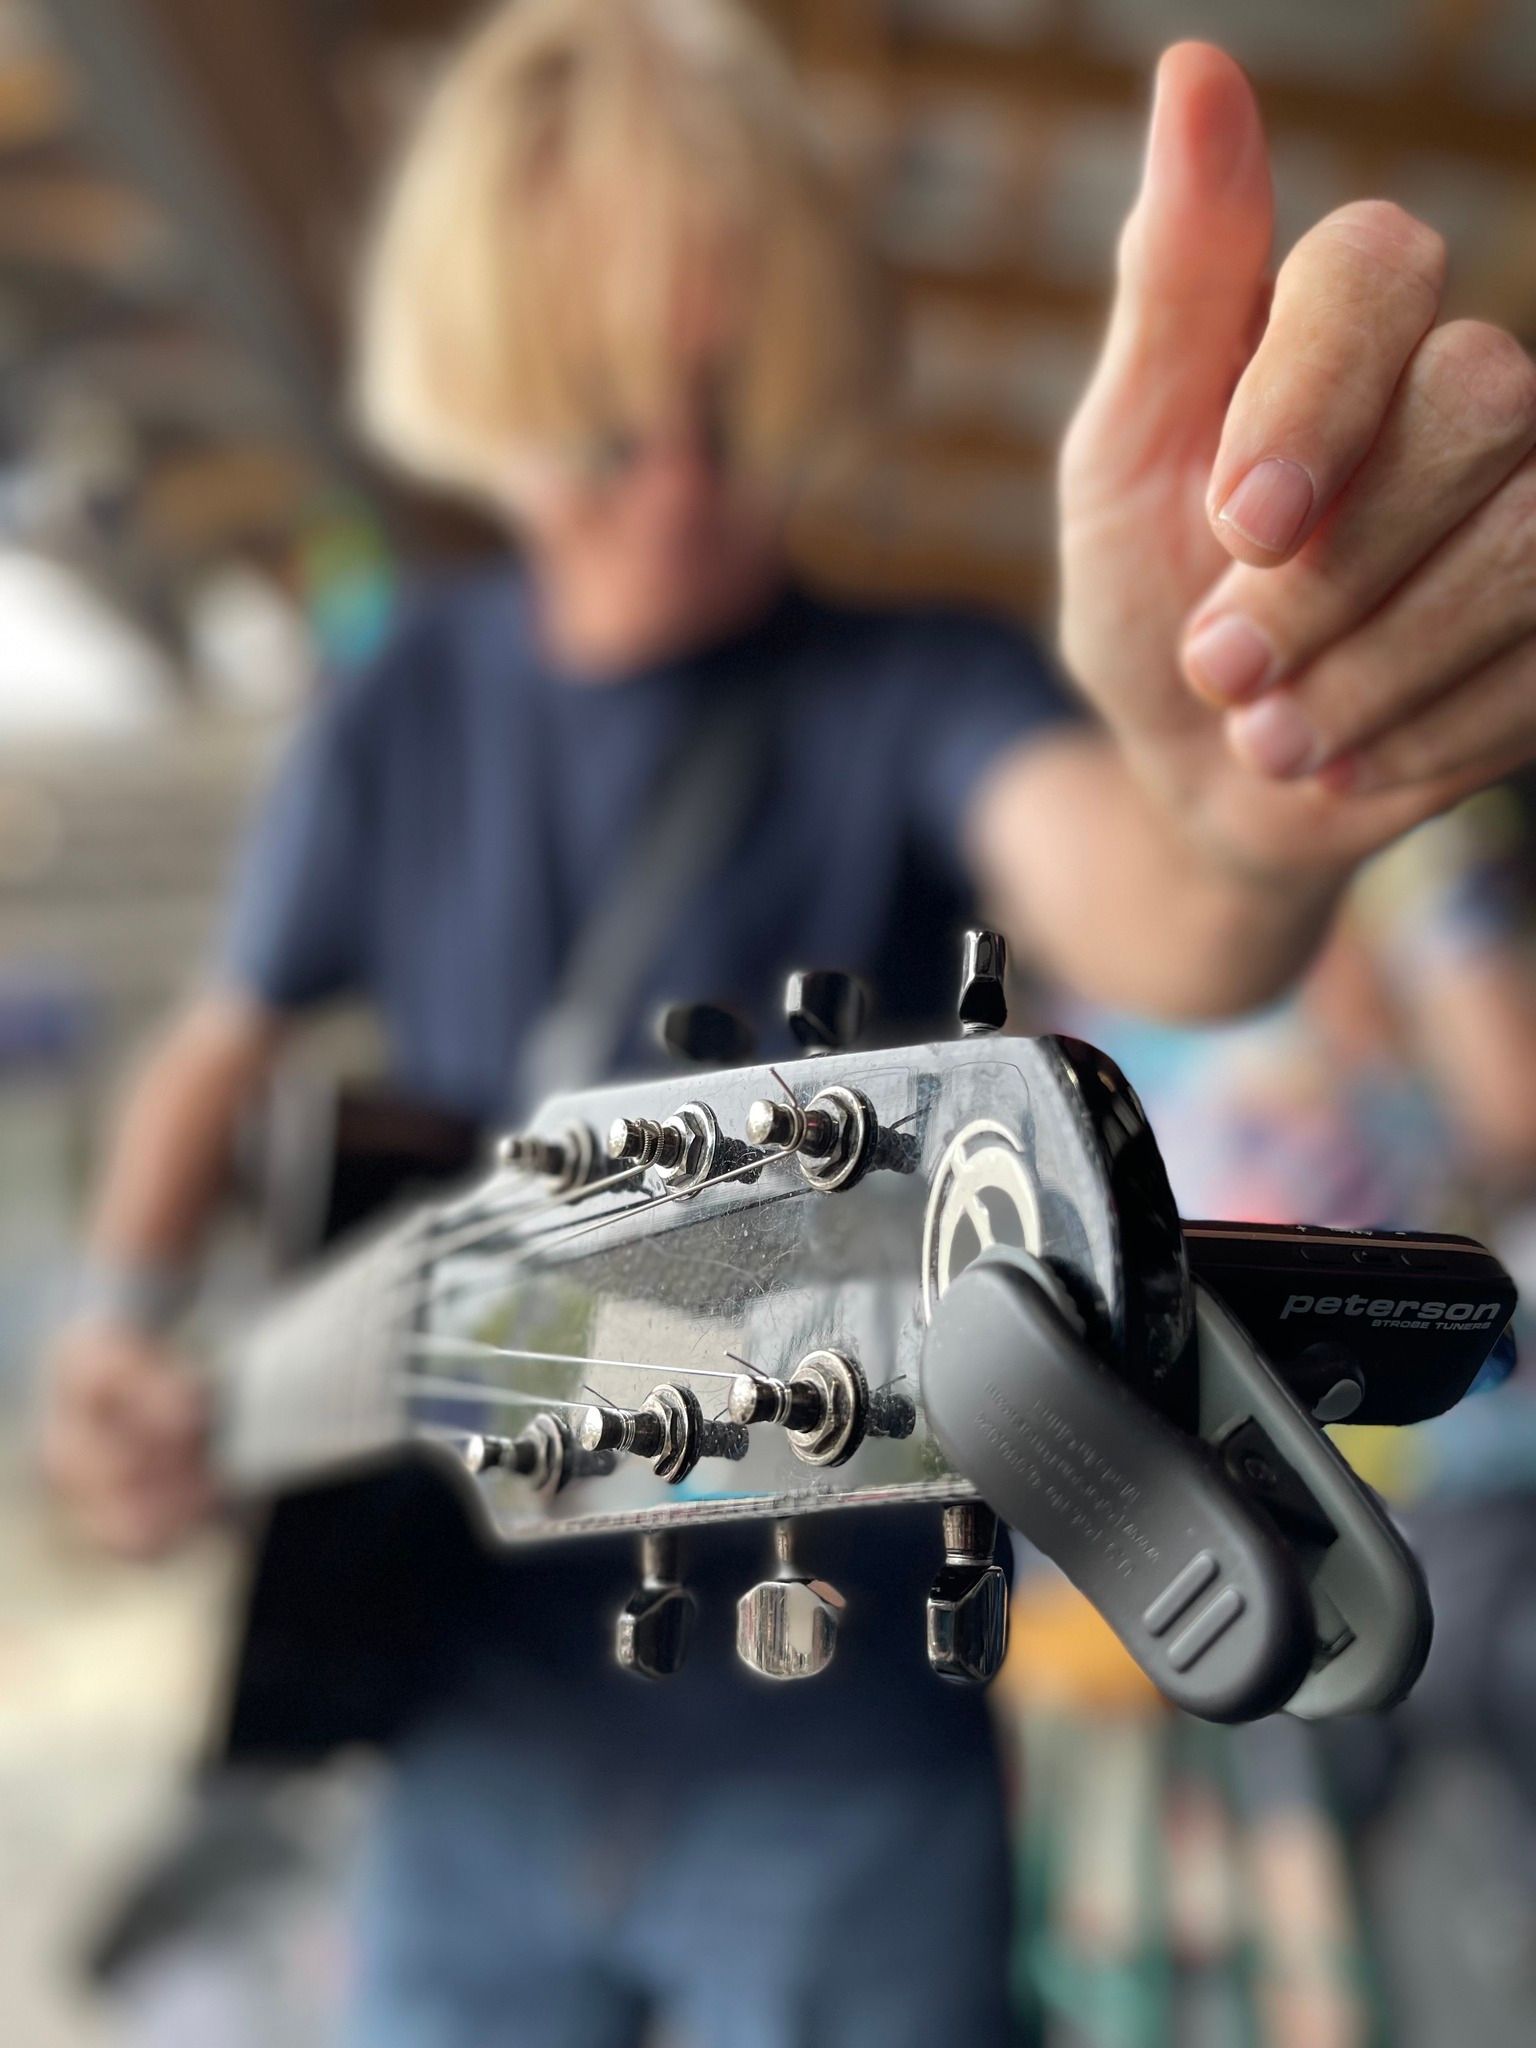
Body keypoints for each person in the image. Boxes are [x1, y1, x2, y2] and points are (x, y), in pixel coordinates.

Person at [41, 4, 1536, 2042]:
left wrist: (1248, 824)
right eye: (597, 410)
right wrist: (118, 1325)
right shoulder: (402, 710)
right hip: (457, 1729)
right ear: (485, 380)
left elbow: (1158, 904)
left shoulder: (915, 685)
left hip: (845, 1769)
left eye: (725, 396)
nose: (668, 474)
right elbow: (220, 1043)